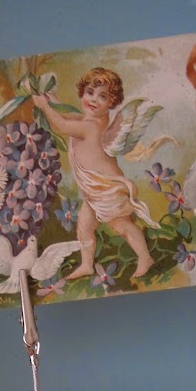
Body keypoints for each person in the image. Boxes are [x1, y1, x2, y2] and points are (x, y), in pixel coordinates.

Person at [33, 67, 157, 279]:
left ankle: (145, 257)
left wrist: (44, 107)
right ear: (82, 92)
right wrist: (52, 101)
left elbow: (62, 125)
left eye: (103, 96)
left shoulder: (92, 126)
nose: (93, 99)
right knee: (84, 227)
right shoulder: (85, 119)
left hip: (107, 190)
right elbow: (66, 115)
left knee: (122, 225)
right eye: (90, 92)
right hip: (93, 192)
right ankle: (87, 265)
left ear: (112, 103)